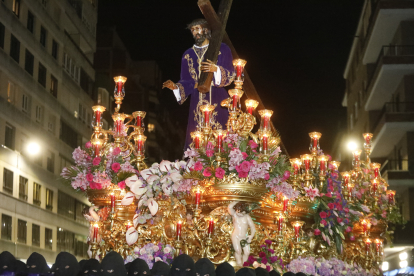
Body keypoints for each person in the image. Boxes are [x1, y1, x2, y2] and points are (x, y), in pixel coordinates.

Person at [162, 18, 235, 150]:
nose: (195, 32)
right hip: (197, 102)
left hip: (218, 98)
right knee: (196, 140)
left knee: (223, 138)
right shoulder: (188, 55)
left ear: (206, 30)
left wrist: (216, 69)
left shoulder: (222, 49)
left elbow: (231, 74)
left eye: (198, 29)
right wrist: (176, 87)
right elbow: (186, 81)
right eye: (193, 30)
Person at [228, 201, 256, 267]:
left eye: (243, 213)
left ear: (246, 213)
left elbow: (253, 227)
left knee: (247, 252)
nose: (240, 215)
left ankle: (244, 265)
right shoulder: (234, 214)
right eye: (239, 212)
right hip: (236, 236)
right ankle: (239, 264)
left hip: (244, 236)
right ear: (236, 209)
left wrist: (251, 236)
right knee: (238, 251)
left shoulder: (247, 217)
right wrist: (237, 201)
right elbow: (229, 207)